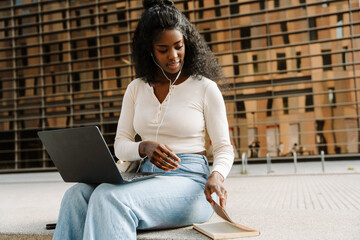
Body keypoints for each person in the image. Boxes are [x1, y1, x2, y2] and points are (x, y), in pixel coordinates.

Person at [52, 0, 234, 239]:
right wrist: (143, 147)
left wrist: (216, 175)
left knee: (110, 198)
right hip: (142, 175)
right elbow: (121, 144)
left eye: (178, 46)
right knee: (76, 195)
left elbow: (224, 148)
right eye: (163, 49)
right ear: (149, 50)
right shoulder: (136, 88)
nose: (173, 55)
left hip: (189, 182)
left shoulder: (205, 88)